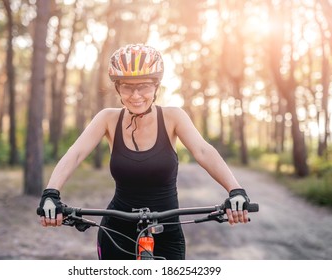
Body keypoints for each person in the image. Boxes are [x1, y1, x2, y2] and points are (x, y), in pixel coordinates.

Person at [37, 44, 251, 260]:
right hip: (116, 230)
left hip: (166, 231)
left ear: (156, 86)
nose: (136, 95)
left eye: (144, 86)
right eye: (127, 87)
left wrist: (235, 191)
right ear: (118, 88)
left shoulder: (173, 117)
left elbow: (204, 151)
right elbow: (75, 154)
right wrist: (51, 194)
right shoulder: (107, 119)